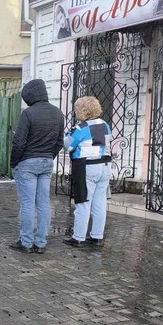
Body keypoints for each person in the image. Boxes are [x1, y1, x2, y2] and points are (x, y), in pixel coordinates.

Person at [9, 79, 65, 254]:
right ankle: (40, 243)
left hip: (27, 163)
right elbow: (59, 142)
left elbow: (19, 142)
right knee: (43, 204)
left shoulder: (28, 114)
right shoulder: (58, 113)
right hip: (47, 162)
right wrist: (49, 156)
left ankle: (26, 242)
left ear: (30, 96)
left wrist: (14, 162)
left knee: (27, 204)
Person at [63, 96, 112, 247]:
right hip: (105, 166)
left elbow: (68, 147)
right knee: (100, 202)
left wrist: (67, 135)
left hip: (86, 167)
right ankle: (97, 236)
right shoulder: (105, 124)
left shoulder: (81, 128)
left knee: (83, 202)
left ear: (82, 111)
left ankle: (78, 237)